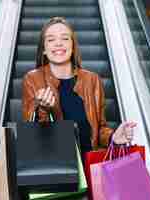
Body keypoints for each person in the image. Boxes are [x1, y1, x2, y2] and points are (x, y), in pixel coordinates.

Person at [22, 17, 136, 154]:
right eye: (51, 40)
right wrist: (44, 109)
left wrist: (113, 136)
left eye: (65, 38)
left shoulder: (92, 80)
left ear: (73, 46)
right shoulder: (33, 79)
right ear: (44, 49)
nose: (58, 43)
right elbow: (33, 134)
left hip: (91, 166)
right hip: (56, 167)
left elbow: (99, 128)